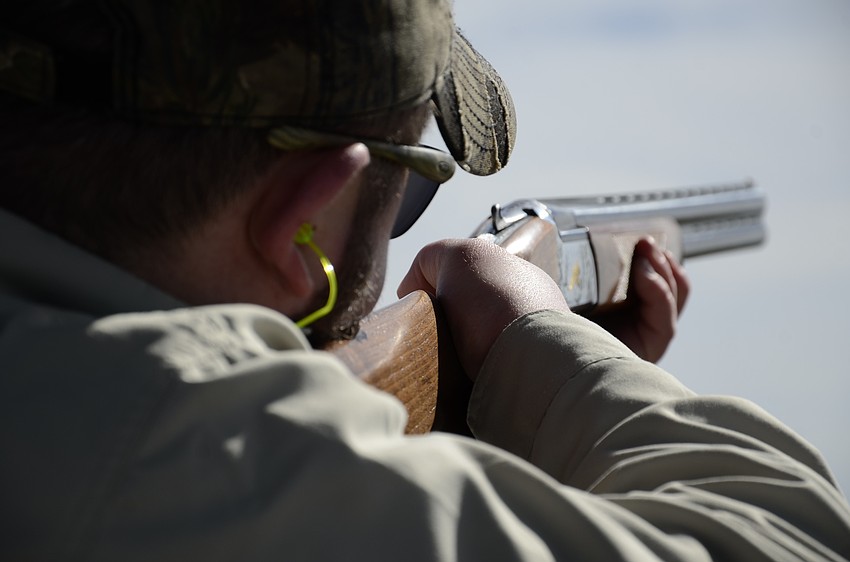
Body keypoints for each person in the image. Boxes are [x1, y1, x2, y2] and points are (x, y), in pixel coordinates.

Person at [1, 1, 848, 560]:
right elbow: (792, 535)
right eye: (408, 189)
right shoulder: (173, 460)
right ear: (303, 217)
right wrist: (548, 355)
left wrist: (497, 419)